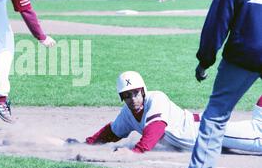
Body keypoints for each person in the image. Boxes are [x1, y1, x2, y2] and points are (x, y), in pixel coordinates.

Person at [186, 0, 262, 168]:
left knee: (217, 115)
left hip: (243, 54)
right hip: (244, 53)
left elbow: (220, 17)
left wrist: (205, 59)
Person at [83, 71, 261, 156]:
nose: (133, 99)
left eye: (136, 93)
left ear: (143, 91)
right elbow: (112, 132)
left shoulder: (156, 98)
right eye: (127, 96)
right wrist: (88, 143)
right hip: (197, 138)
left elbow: (156, 129)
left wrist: (137, 151)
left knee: (257, 138)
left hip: (204, 130)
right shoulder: (127, 113)